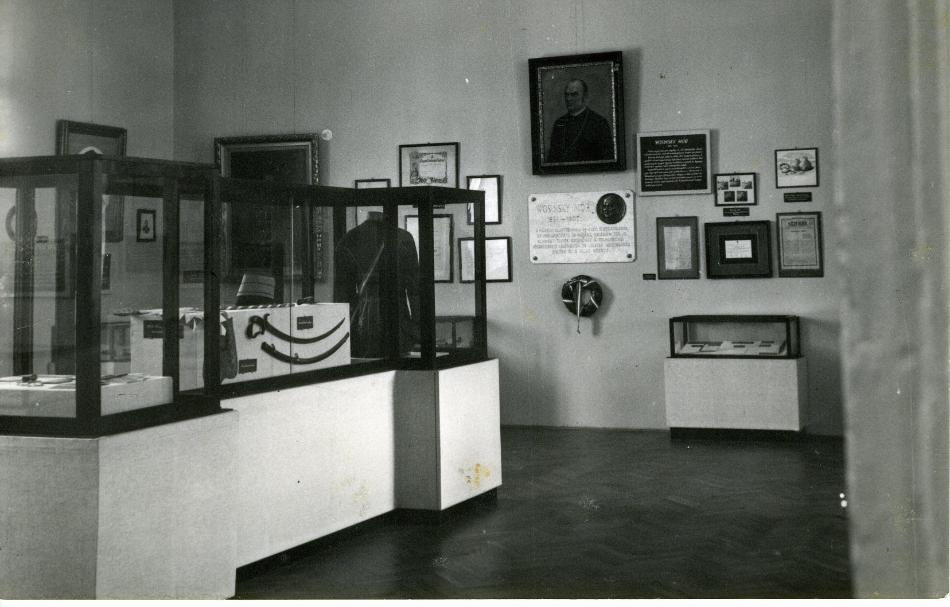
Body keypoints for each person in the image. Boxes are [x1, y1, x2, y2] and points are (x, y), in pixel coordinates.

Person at [333, 212, 420, 357]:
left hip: (363, 326)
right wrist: (416, 330)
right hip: (398, 323)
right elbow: (415, 290)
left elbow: (343, 295)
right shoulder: (403, 238)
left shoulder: (348, 239)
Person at [546, 78, 613, 163]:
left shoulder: (599, 122)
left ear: (585, 97)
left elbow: (607, 159)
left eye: (574, 94)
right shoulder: (559, 123)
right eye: (567, 94)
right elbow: (552, 159)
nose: (568, 99)